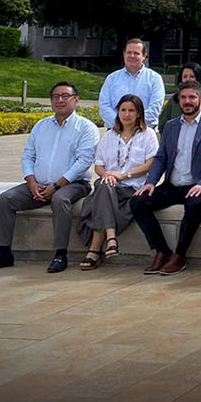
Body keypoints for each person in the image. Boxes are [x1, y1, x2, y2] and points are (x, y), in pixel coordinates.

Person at [0, 81, 99, 273]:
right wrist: (32, 182)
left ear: (76, 100)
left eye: (65, 96)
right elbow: (28, 155)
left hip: (74, 184)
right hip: (38, 184)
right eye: (55, 96)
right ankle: (3, 253)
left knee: (60, 200)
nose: (60, 100)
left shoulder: (86, 128)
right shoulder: (41, 126)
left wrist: (56, 186)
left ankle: (60, 254)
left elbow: (83, 163)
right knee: (5, 199)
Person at [131, 82, 201, 276]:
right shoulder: (171, 126)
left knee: (193, 205)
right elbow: (161, 158)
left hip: (200, 185)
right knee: (137, 202)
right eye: (183, 97)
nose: (187, 101)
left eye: (192, 97)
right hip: (173, 185)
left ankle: (179, 255)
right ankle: (162, 251)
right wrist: (150, 182)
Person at [76, 94, 157, 270]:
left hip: (131, 188)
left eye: (131, 110)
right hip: (109, 184)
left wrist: (124, 175)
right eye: (123, 110)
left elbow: (150, 164)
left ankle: (94, 250)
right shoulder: (110, 136)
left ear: (138, 114)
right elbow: (98, 165)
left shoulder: (147, 134)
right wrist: (107, 175)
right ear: (117, 112)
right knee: (105, 185)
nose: (126, 114)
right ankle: (111, 238)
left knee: (102, 192)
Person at [99, 38, 164, 130]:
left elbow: (155, 108)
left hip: (145, 131)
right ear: (124, 54)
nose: (132, 56)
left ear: (144, 56)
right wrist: (121, 125)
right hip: (116, 131)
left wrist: (134, 126)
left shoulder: (155, 79)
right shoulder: (111, 79)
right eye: (129, 52)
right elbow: (104, 106)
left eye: (136, 53)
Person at [159, 63, 201, 128]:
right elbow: (162, 126)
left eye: (192, 76)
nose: (188, 79)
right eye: (185, 77)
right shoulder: (173, 102)